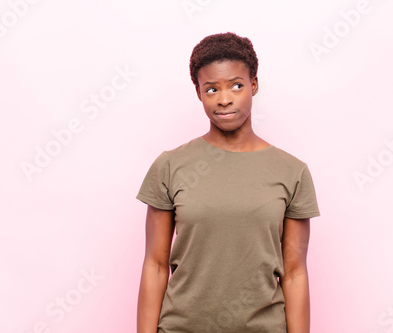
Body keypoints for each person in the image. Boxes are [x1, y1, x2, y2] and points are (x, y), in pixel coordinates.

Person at [136, 32, 320, 333]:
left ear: (254, 85)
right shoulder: (169, 166)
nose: (224, 99)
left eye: (236, 85)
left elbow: (295, 273)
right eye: (211, 89)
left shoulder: (291, 172)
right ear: (198, 93)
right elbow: (155, 266)